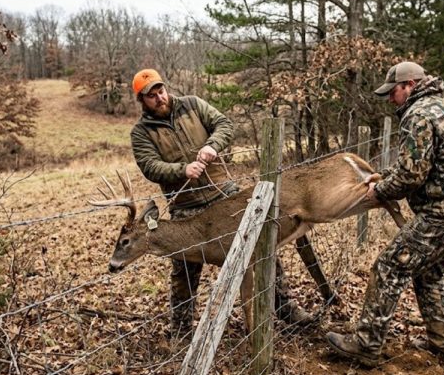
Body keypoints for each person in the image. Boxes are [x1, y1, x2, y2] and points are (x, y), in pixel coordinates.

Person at [325, 61, 444, 367]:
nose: (391, 99)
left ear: (411, 85)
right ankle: (443, 343)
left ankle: (366, 343)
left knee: (389, 266)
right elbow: (419, 166)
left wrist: (380, 190)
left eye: (394, 91)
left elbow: (411, 177)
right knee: (428, 273)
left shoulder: (417, 114)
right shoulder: (441, 107)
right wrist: (384, 175)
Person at [129, 69, 314, 340]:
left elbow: (224, 124)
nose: (160, 98)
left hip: (224, 195)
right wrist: (182, 170)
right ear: (142, 101)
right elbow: (149, 166)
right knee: (184, 272)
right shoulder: (141, 133)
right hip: (186, 206)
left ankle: (285, 307)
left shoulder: (192, 105)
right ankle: (181, 331)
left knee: (261, 247)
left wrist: (213, 145)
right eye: (152, 96)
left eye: (161, 91)